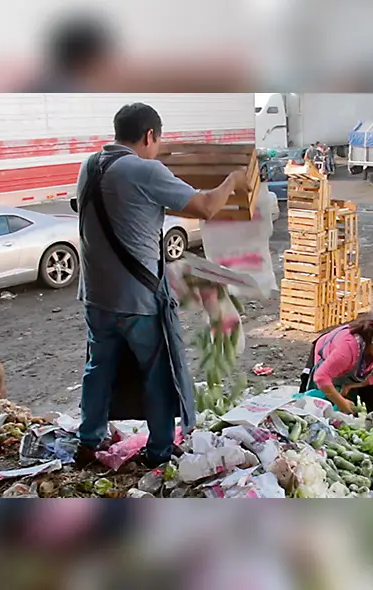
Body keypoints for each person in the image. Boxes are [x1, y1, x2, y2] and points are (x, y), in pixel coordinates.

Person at [72, 103, 246, 469]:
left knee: (98, 369)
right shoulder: (144, 168)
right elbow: (205, 207)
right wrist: (232, 181)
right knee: (157, 376)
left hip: (96, 298)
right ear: (149, 135)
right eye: (159, 141)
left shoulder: (90, 165)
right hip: (137, 300)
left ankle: (88, 442)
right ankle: (160, 451)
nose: (159, 149)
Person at [298, 318, 373, 414]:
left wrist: (350, 386)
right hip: (326, 355)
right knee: (317, 408)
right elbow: (321, 377)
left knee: (369, 400)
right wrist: (341, 402)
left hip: (353, 370)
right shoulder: (348, 349)